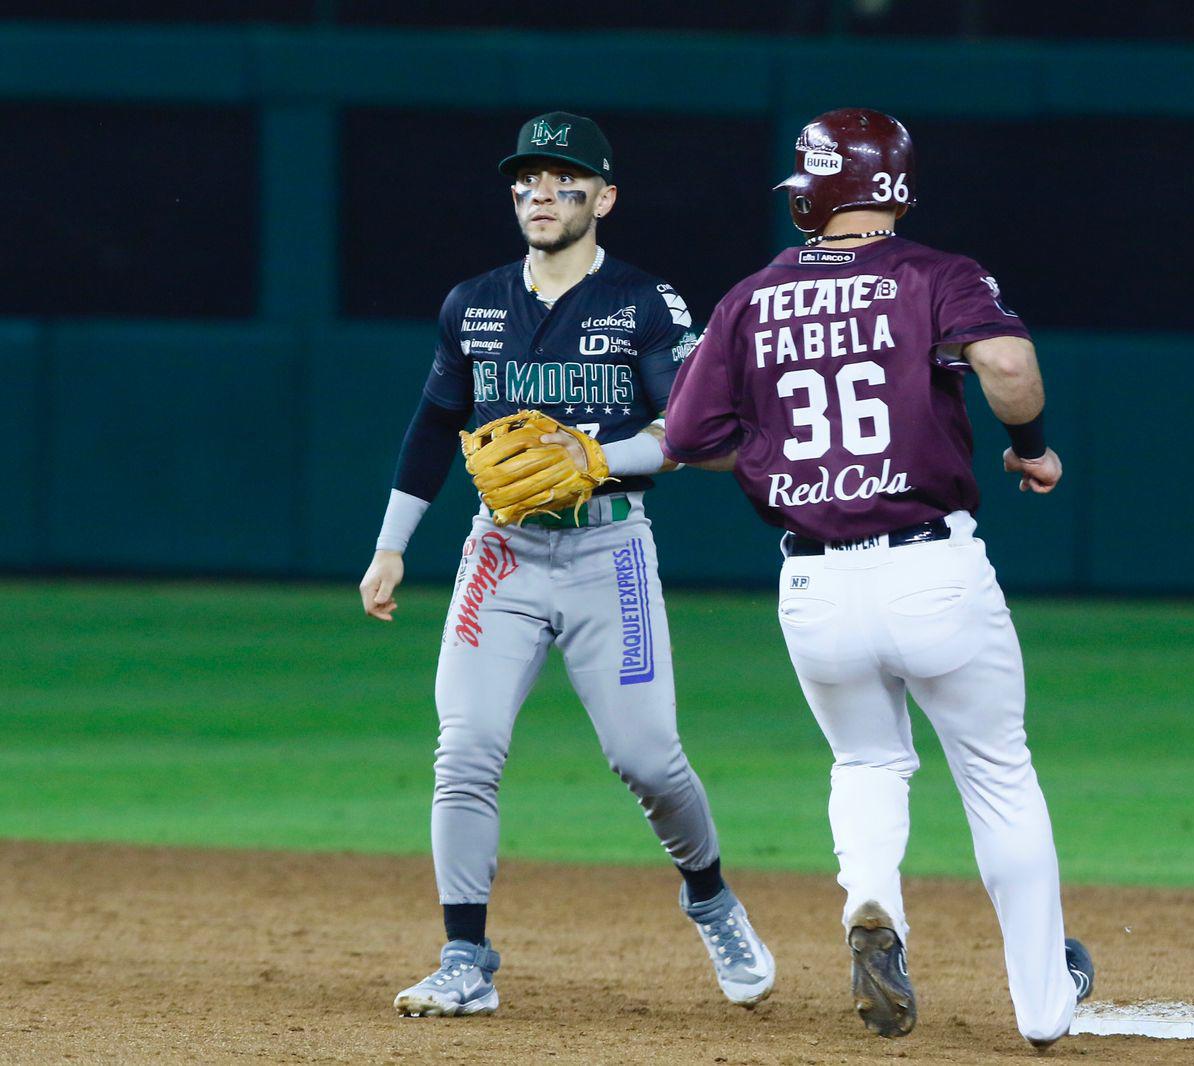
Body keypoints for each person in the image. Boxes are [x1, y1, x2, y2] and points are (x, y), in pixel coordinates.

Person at [661, 108, 1092, 1048]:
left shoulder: (751, 296)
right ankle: (1044, 1008)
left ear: (819, 190)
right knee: (997, 775)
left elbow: (689, 439)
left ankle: (870, 902)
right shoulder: (935, 275)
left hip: (813, 588)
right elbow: (1010, 365)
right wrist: (1032, 448)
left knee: (865, 761)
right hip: (930, 566)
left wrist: (779, 446)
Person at [358, 111, 774, 1018]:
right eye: (527, 180)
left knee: (649, 760)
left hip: (607, 551)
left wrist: (596, 456)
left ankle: (708, 895)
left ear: (604, 196)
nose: (541, 193)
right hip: (499, 553)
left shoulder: (644, 303)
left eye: (563, 179)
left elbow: (688, 433)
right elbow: (435, 426)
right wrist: (393, 545)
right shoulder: (472, 302)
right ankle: (464, 956)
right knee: (463, 750)